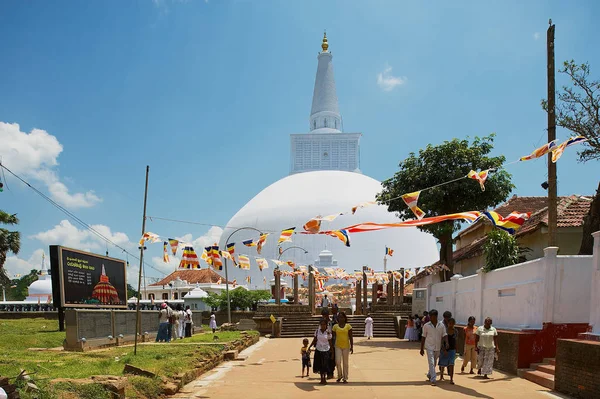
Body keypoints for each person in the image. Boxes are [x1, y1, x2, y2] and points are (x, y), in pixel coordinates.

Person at [420, 309, 447, 386]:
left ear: (436, 316)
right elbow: (423, 337)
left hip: (437, 347)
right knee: (431, 362)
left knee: (434, 362)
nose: (430, 318)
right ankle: (433, 379)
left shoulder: (441, 325)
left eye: (432, 316)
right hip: (429, 346)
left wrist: (446, 343)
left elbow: (444, 335)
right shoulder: (426, 326)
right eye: (430, 316)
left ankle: (429, 374)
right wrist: (421, 348)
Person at [308, 319, 333, 385]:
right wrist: (309, 347)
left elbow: (330, 342)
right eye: (321, 324)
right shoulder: (317, 332)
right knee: (320, 365)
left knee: (325, 365)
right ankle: (321, 378)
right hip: (319, 349)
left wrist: (332, 352)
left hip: (326, 350)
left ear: (326, 325)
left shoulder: (328, 333)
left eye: (324, 324)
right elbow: (314, 340)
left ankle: (324, 378)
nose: (323, 326)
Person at [332, 311, 353, 384]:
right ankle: (339, 375)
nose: (341, 319)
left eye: (342, 317)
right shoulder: (335, 326)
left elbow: (350, 337)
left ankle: (345, 377)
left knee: (345, 363)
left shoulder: (348, 326)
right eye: (339, 317)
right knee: (337, 361)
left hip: (346, 346)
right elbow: (333, 337)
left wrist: (352, 347)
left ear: (344, 318)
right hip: (337, 346)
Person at [438, 318, 457, 384]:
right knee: (442, 364)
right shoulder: (444, 331)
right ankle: (441, 376)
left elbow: (455, 341)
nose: (451, 325)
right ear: (448, 323)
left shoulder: (455, 331)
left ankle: (451, 379)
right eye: (450, 323)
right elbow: (441, 341)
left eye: (452, 323)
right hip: (444, 350)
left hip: (452, 350)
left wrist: (455, 350)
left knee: (451, 364)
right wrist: (443, 349)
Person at [439, 311, 452, 378]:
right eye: (447, 318)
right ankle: (441, 371)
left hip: (450, 342)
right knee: (443, 357)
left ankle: (449, 371)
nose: (448, 319)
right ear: (444, 317)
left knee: (449, 357)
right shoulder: (441, 324)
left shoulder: (451, 323)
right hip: (442, 342)